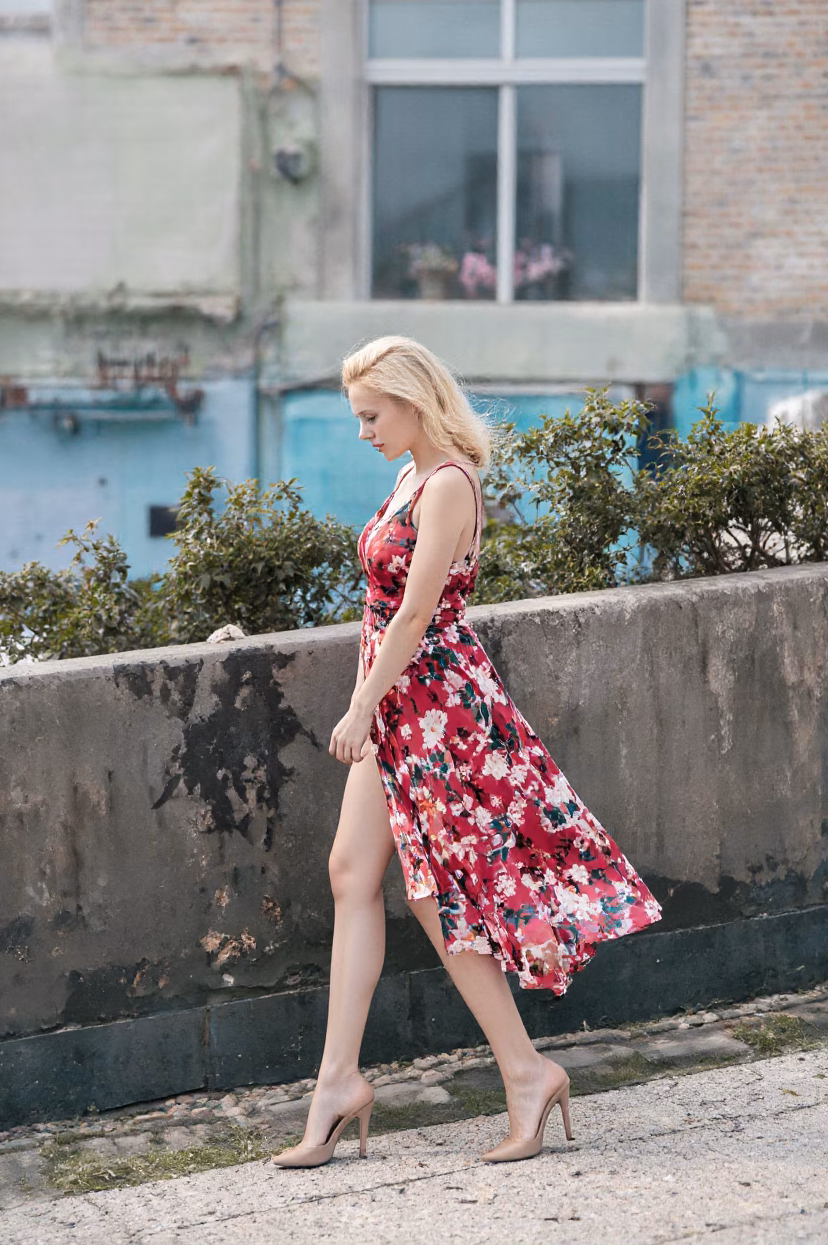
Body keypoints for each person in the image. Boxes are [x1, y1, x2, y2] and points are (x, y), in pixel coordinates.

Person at [271, 336, 663, 1169]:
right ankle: (340, 1081)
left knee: (436, 895)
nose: (364, 430)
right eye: (359, 417)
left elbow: (414, 617)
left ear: (413, 401)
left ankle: (525, 1071)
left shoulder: (446, 484)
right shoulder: (410, 475)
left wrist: (357, 709)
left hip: (431, 704)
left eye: (373, 415)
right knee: (353, 872)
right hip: (402, 701)